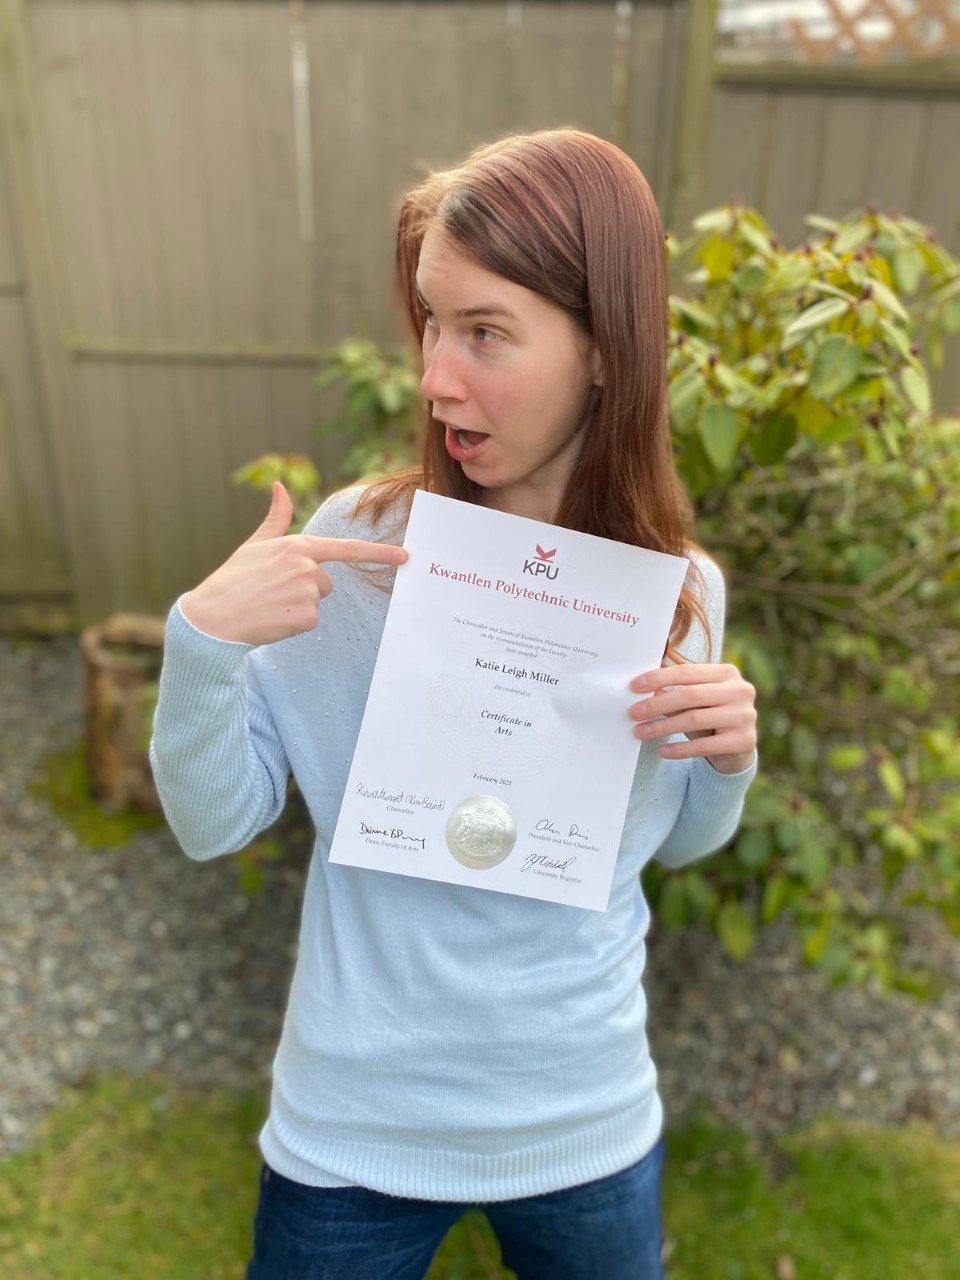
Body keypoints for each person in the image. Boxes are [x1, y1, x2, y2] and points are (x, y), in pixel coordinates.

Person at [150, 129, 757, 1280]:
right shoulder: (361, 553)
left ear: (604, 351)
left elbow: (674, 845)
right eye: (432, 321)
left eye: (485, 332)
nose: (435, 376)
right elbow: (211, 820)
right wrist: (204, 646)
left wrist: (724, 762)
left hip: (584, 1117)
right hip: (354, 1130)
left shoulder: (678, 593)